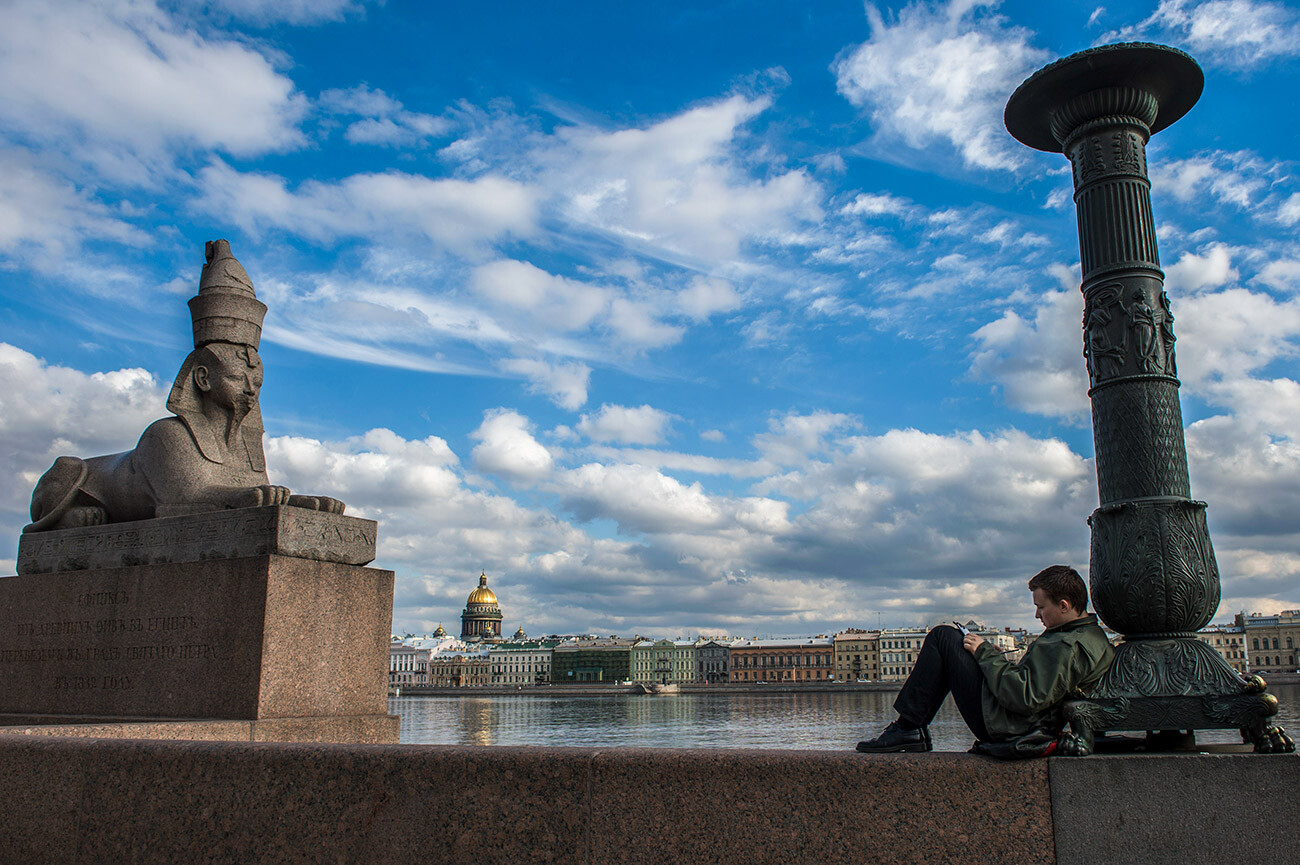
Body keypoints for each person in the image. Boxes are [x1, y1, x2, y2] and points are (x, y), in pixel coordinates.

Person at [855, 565, 1114, 753]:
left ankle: (908, 728)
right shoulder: (1087, 636)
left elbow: (1025, 698)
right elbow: (1040, 685)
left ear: (1064, 605)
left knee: (943, 637)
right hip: (1022, 722)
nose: (1037, 615)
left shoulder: (1067, 645)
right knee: (952, 642)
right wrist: (991, 660)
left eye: (1041, 607)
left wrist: (985, 653)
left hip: (1008, 726)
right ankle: (910, 729)